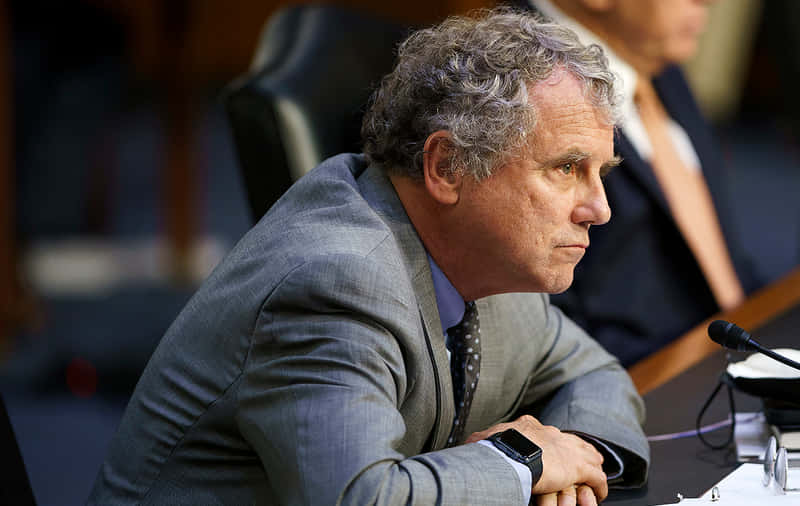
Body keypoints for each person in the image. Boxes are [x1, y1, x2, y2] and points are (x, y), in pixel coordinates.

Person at [88, 9, 649, 506]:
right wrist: (521, 462)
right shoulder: (335, 283)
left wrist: (575, 459)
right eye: (566, 168)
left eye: (601, 174)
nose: (599, 209)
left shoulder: (490, 261)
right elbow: (358, 497)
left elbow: (594, 375)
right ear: (448, 168)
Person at [518, 0, 762, 367]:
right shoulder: (519, 86)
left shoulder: (650, 57)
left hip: (735, 344)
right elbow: (538, 329)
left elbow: (723, 257)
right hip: (638, 383)